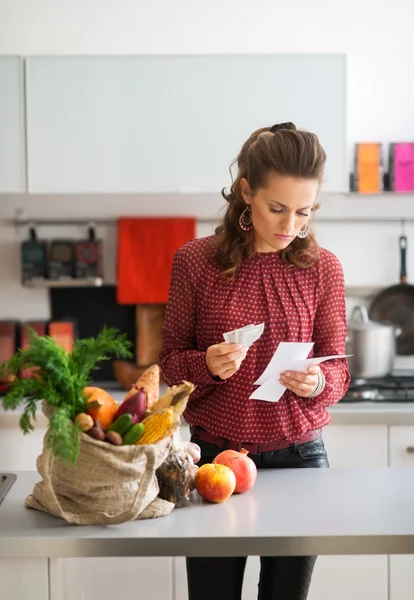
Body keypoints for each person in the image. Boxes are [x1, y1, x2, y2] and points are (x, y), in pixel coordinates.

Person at [159, 122, 351, 600]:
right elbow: (168, 364)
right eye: (277, 208)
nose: (290, 226)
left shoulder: (324, 268)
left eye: (304, 212)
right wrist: (205, 365)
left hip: (300, 458)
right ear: (247, 192)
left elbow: (340, 370)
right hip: (214, 457)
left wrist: (317, 382)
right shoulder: (194, 262)